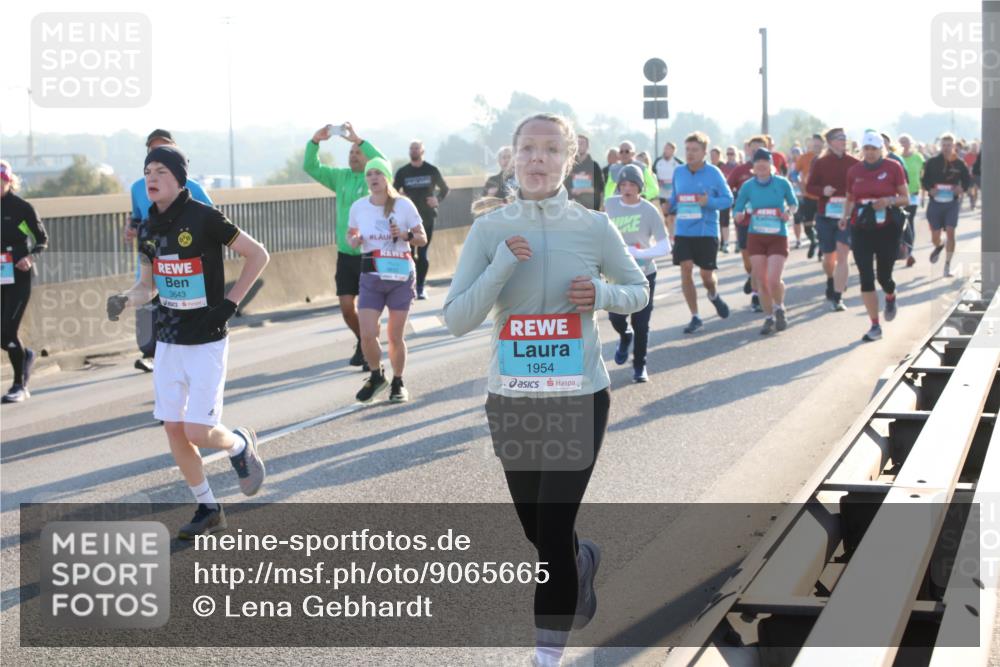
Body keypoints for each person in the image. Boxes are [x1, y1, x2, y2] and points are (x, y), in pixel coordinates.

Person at [443, 113, 648, 667]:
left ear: (571, 156)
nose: (538, 159)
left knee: (552, 528)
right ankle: (580, 561)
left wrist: (601, 294)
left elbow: (639, 290)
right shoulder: (490, 230)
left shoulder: (594, 226)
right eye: (528, 148)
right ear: (511, 157)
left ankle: (545, 657)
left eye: (551, 149)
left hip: (579, 398)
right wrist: (500, 269)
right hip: (512, 402)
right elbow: (456, 318)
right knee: (538, 532)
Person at [106, 146, 270, 538]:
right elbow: (147, 287)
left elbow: (258, 255)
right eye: (147, 170)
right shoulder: (147, 227)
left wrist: (230, 304)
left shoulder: (204, 217)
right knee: (174, 430)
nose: (151, 177)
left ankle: (238, 446)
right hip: (168, 340)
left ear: (179, 178)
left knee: (198, 431)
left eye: (161, 170)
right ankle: (208, 506)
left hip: (207, 340)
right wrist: (125, 299)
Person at [125, 129, 214, 373]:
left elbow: (213, 219)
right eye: (153, 150)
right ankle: (150, 355)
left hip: (185, 268)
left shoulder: (192, 187)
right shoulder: (137, 187)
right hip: (152, 263)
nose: (158, 153)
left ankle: (176, 356)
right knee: (147, 308)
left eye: (164, 147)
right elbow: (136, 217)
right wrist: (130, 227)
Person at [304, 122, 385, 370]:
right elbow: (311, 167)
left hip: (369, 253)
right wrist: (315, 141)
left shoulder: (375, 179)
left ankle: (369, 348)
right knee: (347, 308)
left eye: (357, 153)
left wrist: (358, 140)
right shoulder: (340, 177)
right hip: (346, 254)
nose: (353, 156)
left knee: (368, 308)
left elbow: (382, 161)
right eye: (350, 153)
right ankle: (364, 340)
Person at [351, 158, 428, 403]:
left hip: (400, 275)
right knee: (367, 332)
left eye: (378, 174)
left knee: (395, 335)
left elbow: (421, 238)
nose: (373, 178)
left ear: (386, 178)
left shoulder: (403, 205)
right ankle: (376, 375)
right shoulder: (359, 207)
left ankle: (398, 381)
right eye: (369, 174)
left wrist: (405, 235)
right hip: (371, 274)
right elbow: (351, 234)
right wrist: (354, 239)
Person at [840, 131, 909, 342]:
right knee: (866, 276)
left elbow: (905, 198)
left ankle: (890, 294)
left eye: (874, 149)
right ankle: (875, 325)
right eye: (866, 149)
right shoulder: (854, 170)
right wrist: (844, 216)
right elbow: (850, 198)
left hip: (887, 227)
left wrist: (888, 200)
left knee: (883, 276)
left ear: (882, 149)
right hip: (861, 225)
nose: (869, 153)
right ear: (862, 150)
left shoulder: (893, 167)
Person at [604, 164, 670, 382]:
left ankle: (640, 366)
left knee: (641, 323)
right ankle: (624, 335)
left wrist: (640, 252)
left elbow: (665, 246)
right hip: (616, 274)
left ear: (640, 187)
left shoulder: (649, 210)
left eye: (632, 184)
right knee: (616, 317)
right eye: (623, 184)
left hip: (644, 274)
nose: (627, 188)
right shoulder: (609, 205)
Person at [669, 132, 734, 334]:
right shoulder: (678, 172)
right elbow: (674, 196)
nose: (690, 154)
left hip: (706, 232)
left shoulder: (714, 173)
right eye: (687, 149)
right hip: (683, 230)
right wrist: (667, 207)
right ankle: (695, 316)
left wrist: (709, 202)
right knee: (685, 267)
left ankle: (713, 294)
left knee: (707, 276)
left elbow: (728, 199)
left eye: (695, 150)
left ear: (704, 152)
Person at [734, 149, 798, 335]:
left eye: (765, 162)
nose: (761, 165)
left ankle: (779, 307)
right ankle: (769, 317)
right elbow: (738, 207)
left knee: (773, 279)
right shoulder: (748, 186)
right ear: (753, 166)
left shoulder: (782, 183)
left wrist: (789, 213)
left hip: (777, 236)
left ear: (771, 165)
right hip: (756, 236)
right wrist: (738, 215)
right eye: (757, 162)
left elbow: (794, 203)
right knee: (761, 281)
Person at [1, 161, 48, 403]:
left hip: (19, 276)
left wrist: (30, 257)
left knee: (8, 330)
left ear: (9, 181)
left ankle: (19, 385)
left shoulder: (20, 208)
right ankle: (26, 354)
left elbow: (41, 239)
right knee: (2, 336)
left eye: (1, 181)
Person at [806, 127, 859, 311]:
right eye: (839, 138)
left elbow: (861, 185)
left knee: (843, 255)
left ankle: (838, 297)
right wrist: (823, 191)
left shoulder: (854, 162)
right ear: (830, 142)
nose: (844, 140)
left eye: (845, 137)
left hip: (846, 216)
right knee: (829, 258)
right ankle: (831, 279)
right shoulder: (820, 162)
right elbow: (810, 188)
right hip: (826, 216)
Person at [393, 141, 448, 300]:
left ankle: (420, 287)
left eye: (417, 148)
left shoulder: (431, 170)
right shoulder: (403, 172)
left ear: (422, 151)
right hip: (407, 219)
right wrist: (400, 196)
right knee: (408, 253)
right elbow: (393, 190)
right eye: (411, 148)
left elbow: (445, 189)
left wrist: (437, 199)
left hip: (427, 217)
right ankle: (409, 284)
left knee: (422, 253)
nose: (414, 150)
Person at [921, 133, 972, 278]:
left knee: (951, 232)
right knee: (935, 236)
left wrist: (961, 189)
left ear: (954, 146)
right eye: (944, 145)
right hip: (935, 204)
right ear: (940, 146)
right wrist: (930, 189)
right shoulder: (931, 162)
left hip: (951, 204)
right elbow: (924, 180)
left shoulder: (960, 163)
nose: (946, 148)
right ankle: (938, 245)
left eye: (949, 145)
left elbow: (967, 180)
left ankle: (947, 265)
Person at [728, 135, 768, 312]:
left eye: (760, 147)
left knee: (760, 258)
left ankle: (756, 296)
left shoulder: (771, 172)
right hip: (744, 221)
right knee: (747, 256)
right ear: (748, 150)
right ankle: (752, 275)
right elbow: (728, 189)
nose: (755, 151)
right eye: (753, 148)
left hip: (766, 222)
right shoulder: (740, 170)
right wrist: (737, 205)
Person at [794, 134, 824, 259]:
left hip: (823, 198)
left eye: (818, 145)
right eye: (814, 145)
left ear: (823, 145)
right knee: (807, 226)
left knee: (822, 225)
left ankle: (822, 248)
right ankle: (813, 241)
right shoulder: (804, 157)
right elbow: (794, 173)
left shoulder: (826, 157)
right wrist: (800, 183)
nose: (816, 147)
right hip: (808, 196)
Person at [898, 133, 925, 268]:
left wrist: (924, 193)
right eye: (901, 142)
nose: (904, 144)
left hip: (913, 194)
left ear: (911, 143)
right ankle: (900, 249)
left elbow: (923, 175)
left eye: (906, 142)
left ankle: (909, 252)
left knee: (909, 221)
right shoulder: (896, 158)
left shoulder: (918, 158)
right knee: (898, 223)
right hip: (898, 196)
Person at [564, 134, 605, 210]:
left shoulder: (594, 166)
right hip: (572, 208)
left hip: (591, 208)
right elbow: (565, 187)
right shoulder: (569, 166)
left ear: (587, 147)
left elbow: (599, 188)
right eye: (577, 143)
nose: (579, 146)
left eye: (582, 143)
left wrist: (581, 190)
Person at [652, 141, 684, 222]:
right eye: (665, 148)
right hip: (661, 193)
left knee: (672, 216)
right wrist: (657, 181)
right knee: (663, 215)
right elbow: (652, 174)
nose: (665, 151)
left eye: (668, 149)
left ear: (673, 151)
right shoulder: (658, 161)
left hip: (673, 193)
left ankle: (671, 233)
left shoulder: (678, 163)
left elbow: (683, 176)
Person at [717, 147, 740, 253]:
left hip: (737, 194)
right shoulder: (723, 167)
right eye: (728, 154)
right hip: (725, 195)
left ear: (736, 155)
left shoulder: (740, 167)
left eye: (732, 154)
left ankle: (738, 242)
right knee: (724, 220)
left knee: (737, 219)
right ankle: (725, 243)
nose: (730, 156)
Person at [963, 140, 979, 210]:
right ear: (971, 148)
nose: (974, 148)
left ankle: (973, 204)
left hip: (977, 175)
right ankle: (972, 201)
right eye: (973, 147)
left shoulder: (979, 155)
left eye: (975, 147)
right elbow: (964, 165)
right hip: (969, 175)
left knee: (975, 190)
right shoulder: (967, 156)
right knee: (969, 191)